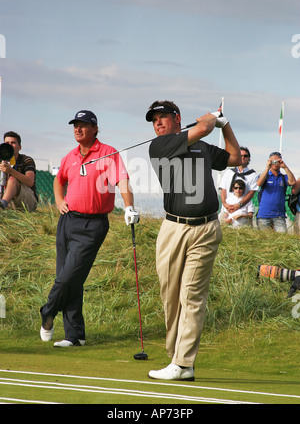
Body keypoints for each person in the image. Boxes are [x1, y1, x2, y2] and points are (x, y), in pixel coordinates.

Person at [146, 100, 241, 381]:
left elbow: (234, 157)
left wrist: (225, 125)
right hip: (173, 229)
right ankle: (176, 354)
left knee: (192, 296)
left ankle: (184, 363)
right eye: (154, 120)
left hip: (206, 230)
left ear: (177, 118)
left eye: (162, 117)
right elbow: (203, 127)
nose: (158, 123)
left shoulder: (201, 147)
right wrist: (212, 118)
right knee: (171, 297)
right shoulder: (159, 146)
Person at [40, 110, 139, 347]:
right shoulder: (70, 156)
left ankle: (47, 312)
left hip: (93, 224)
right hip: (67, 221)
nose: (78, 128)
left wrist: (129, 206)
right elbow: (58, 179)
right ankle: (75, 336)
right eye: (75, 125)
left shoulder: (108, 153)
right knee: (69, 278)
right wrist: (59, 200)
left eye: (83, 125)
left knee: (68, 276)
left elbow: (122, 180)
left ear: (95, 128)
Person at [256, 151, 296, 232]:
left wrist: (285, 167)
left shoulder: (283, 177)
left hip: (279, 216)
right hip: (264, 215)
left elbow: (292, 182)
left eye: (277, 161)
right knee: (264, 240)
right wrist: (267, 167)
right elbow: (259, 183)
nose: (275, 163)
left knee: (281, 240)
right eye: (273, 161)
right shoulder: (265, 176)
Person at [0, 131, 38, 212]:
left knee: (12, 180)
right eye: (7, 143)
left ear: (19, 147)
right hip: (7, 197)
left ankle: (2, 204)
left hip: (27, 201)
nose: (9, 145)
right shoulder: (1, 161)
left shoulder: (26, 160)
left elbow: (30, 181)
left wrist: (11, 171)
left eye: (13, 143)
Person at [219, 146, 258, 216]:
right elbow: (223, 190)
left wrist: (239, 205)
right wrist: (225, 204)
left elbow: (251, 193)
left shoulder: (253, 175)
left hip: (242, 212)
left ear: (249, 158)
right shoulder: (228, 172)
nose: (243, 157)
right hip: (226, 211)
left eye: (245, 156)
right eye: (240, 155)